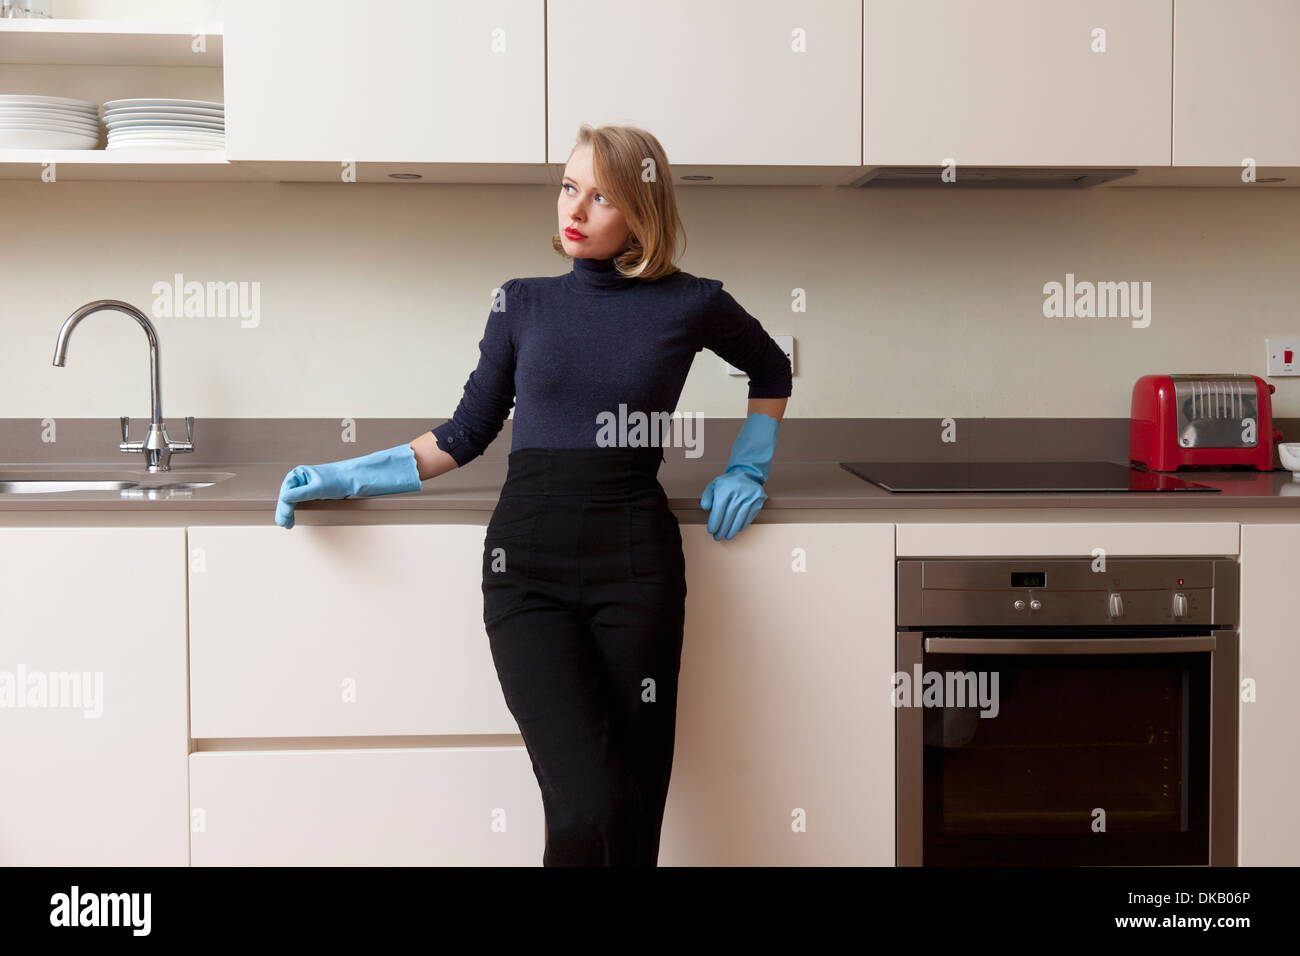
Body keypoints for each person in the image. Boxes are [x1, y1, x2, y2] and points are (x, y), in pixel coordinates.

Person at [274, 124, 793, 866]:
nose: (574, 210)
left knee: (632, 811)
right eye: (568, 187)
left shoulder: (694, 303)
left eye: (601, 196)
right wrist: (343, 475)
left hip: (637, 567)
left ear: (642, 211)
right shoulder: (521, 303)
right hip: (528, 571)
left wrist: (748, 465)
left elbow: (771, 369)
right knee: (590, 799)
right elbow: (465, 432)